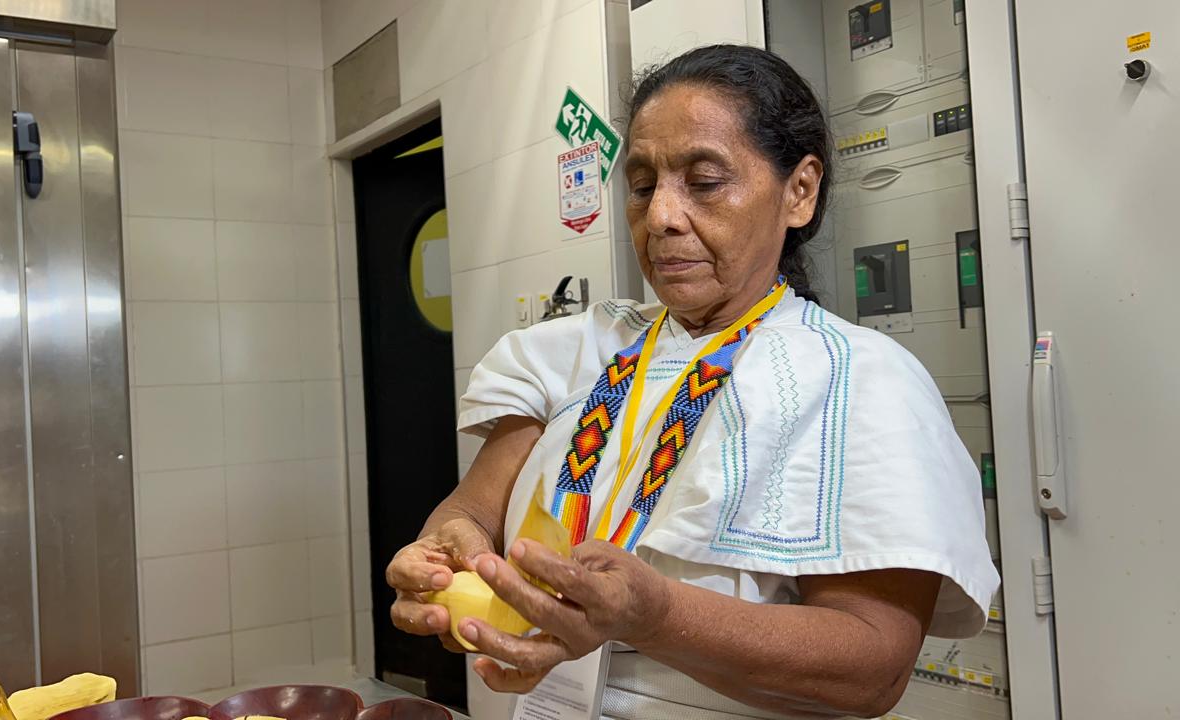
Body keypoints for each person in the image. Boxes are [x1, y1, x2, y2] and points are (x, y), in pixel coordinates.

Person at [385, 44, 999, 719]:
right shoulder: (572, 353)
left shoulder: (860, 382)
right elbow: (471, 513)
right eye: (644, 185)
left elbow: (872, 668)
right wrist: (442, 555)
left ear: (799, 191)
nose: (660, 218)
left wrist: (653, 614)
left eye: (703, 181)